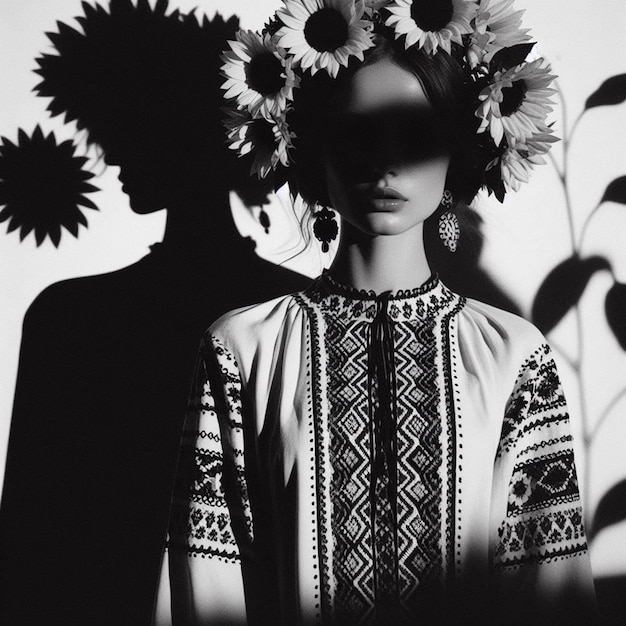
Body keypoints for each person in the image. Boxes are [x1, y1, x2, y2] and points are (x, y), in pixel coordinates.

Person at [159, 1, 597, 624]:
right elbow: (209, 585)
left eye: (415, 132)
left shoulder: (513, 358)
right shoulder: (241, 351)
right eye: (355, 133)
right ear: (313, 152)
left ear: (455, 153)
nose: (384, 161)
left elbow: (550, 593)